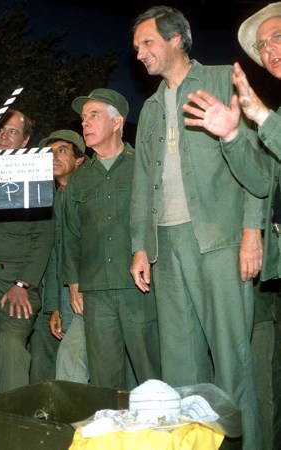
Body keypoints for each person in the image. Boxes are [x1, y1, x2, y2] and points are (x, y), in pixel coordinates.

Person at [130, 6, 264, 449]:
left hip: (220, 241)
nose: (139, 53)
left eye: (147, 43)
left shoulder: (224, 79)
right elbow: (142, 185)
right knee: (181, 372)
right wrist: (139, 248)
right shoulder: (149, 109)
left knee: (232, 365)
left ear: (176, 39)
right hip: (165, 247)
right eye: (135, 47)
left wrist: (252, 231)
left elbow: (258, 165)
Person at [181, 3, 281, 447]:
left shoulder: (270, 114)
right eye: (263, 46)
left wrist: (260, 119)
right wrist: (234, 135)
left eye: (277, 37)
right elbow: (261, 179)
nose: (270, 50)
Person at [63, 88, 161, 391]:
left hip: (139, 289)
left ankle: (158, 434)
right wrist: (74, 283)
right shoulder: (78, 178)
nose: (85, 124)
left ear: (117, 122)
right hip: (96, 292)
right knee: (105, 383)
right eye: (83, 118)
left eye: (94, 115)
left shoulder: (142, 167)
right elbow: (70, 234)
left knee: (151, 373)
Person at [0, 109, 54, 400]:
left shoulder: (35, 177)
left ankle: (15, 425)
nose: (4, 136)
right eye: (0, 129)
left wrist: (22, 284)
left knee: (13, 350)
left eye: (13, 131)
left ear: (26, 140)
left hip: (17, 280)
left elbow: (44, 236)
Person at [29, 129, 88, 384]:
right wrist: (55, 307)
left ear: (79, 160)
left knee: (71, 360)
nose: (53, 157)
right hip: (66, 298)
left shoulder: (88, 194)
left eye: (62, 150)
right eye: (49, 153)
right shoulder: (51, 200)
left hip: (90, 294)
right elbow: (54, 257)